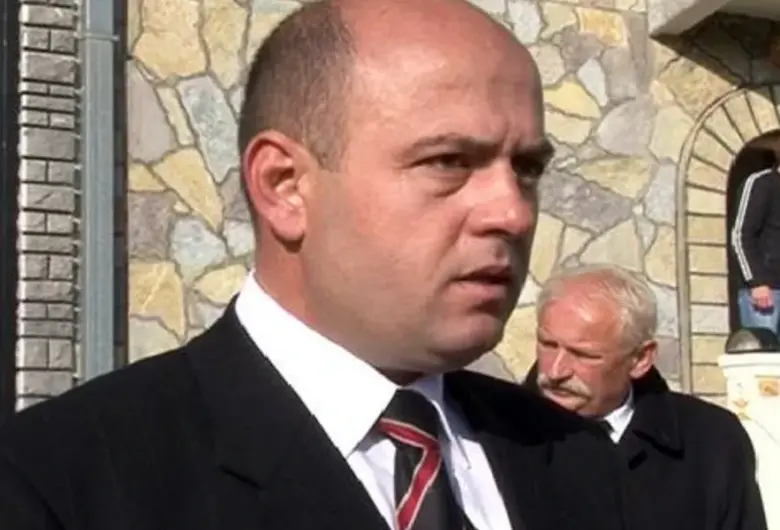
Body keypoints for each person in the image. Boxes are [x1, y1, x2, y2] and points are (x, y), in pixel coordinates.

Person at [0, 1, 631, 529]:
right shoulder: (61, 485)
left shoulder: (581, 459)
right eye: (448, 161)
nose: (513, 213)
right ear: (284, 186)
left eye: (527, 168)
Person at [523, 264, 767, 530]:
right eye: (547, 345)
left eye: (583, 355)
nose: (556, 371)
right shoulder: (501, 436)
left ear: (640, 359)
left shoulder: (712, 440)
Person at [730, 142, 780, 335]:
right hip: (767, 293)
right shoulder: (762, 183)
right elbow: (740, 235)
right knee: (764, 350)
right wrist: (757, 282)